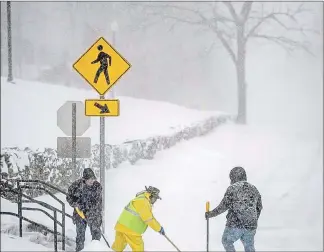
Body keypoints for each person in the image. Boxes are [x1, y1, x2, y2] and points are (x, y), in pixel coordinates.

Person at [205, 167, 263, 252]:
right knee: (249, 246)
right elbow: (259, 207)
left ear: (233, 177)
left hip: (236, 223)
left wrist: (210, 214)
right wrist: (252, 218)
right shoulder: (254, 189)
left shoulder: (233, 188)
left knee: (227, 241)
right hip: (251, 225)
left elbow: (223, 206)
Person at [112, 186, 165, 252]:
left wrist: (159, 227)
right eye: (155, 198)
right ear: (151, 195)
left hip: (121, 226)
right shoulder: (144, 202)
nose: (155, 201)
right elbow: (149, 219)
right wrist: (159, 228)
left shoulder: (141, 198)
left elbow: (149, 216)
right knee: (138, 247)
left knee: (118, 247)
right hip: (131, 229)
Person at [66, 168, 103, 252]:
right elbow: (69, 197)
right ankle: (79, 250)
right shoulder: (76, 185)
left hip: (94, 214)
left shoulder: (97, 186)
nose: (91, 181)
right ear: (84, 179)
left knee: (96, 235)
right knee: (80, 236)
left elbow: (97, 202)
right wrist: (76, 204)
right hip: (80, 214)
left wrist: (89, 210)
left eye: (93, 179)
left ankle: (96, 249)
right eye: (89, 179)